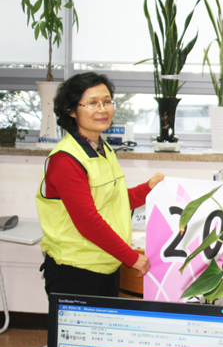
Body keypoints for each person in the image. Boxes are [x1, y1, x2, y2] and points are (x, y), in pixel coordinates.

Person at [36, 72, 164, 298]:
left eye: (107, 102)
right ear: (71, 110)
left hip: (106, 264)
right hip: (76, 270)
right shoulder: (66, 159)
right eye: (92, 103)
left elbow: (112, 200)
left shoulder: (102, 149)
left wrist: (148, 189)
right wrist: (132, 257)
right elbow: (88, 222)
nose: (102, 109)